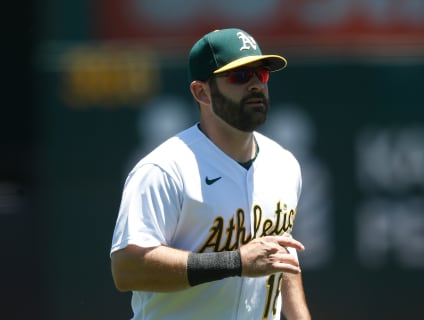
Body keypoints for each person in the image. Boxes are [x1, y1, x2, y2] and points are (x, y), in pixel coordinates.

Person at [110, 28, 311, 320]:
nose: (255, 84)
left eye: (261, 74)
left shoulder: (285, 165)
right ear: (201, 92)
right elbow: (127, 267)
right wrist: (235, 261)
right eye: (239, 76)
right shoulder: (165, 169)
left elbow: (281, 259)